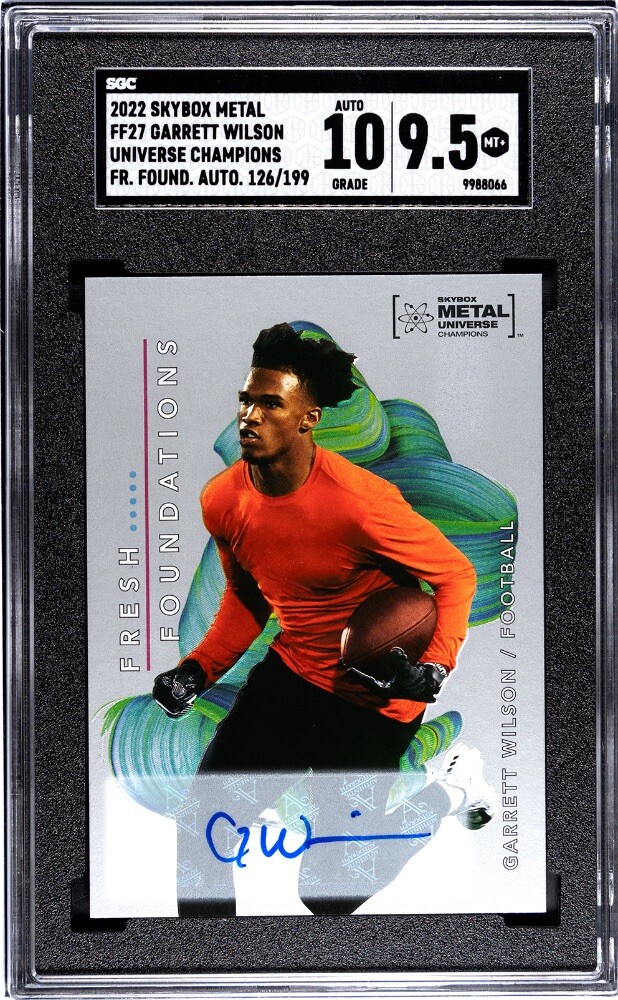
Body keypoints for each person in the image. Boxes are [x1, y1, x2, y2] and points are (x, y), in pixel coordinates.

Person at [153, 323, 496, 916]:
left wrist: (435, 668)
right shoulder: (223, 500)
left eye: (271, 404)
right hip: (292, 680)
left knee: (328, 892)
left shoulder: (360, 503)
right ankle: (211, 960)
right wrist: (198, 670)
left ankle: (449, 789)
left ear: (308, 419)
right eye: (246, 400)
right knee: (202, 831)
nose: (250, 417)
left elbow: (456, 575)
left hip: (372, 700)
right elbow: (248, 599)